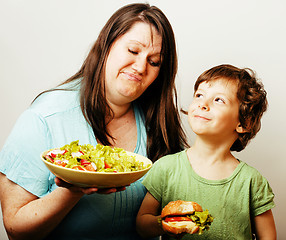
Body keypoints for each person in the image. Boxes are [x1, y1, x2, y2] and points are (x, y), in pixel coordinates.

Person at [0, 3, 189, 240]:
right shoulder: (45, 117)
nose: (141, 67)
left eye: (154, 62)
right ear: (106, 46)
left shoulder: (159, 123)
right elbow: (15, 229)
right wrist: (73, 191)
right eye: (133, 51)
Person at [136, 64, 276, 239]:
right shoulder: (166, 167)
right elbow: (142, 223)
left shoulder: (252, 181)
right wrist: (166, 223)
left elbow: (268, 236)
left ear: (243, 123)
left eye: (219, 100)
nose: (203, 104)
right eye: (199, 95)